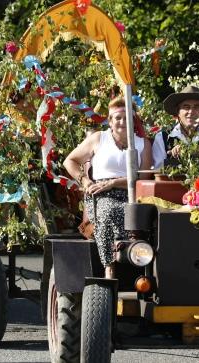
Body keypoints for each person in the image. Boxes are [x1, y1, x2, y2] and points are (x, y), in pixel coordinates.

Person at [63, 96, 153, 278]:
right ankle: (109, 266)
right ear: (110, 121)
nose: (121, 122)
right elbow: (69, 161)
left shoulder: (143, 144)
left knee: (148, 216)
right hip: (102, 195)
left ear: (133, 120)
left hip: (133, 193)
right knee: (109, 211)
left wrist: (114, 182)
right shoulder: (99, 139)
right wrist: (85, 181)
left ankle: (144, 262)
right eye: (117, 118)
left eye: (126, 118)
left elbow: (144, 177)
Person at [152, 85, 199, 169]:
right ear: (178, 112)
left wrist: (187, 150)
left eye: (197, 107)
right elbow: (158, 171)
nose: (191, 111)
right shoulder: (162, 137)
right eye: (186, 107)